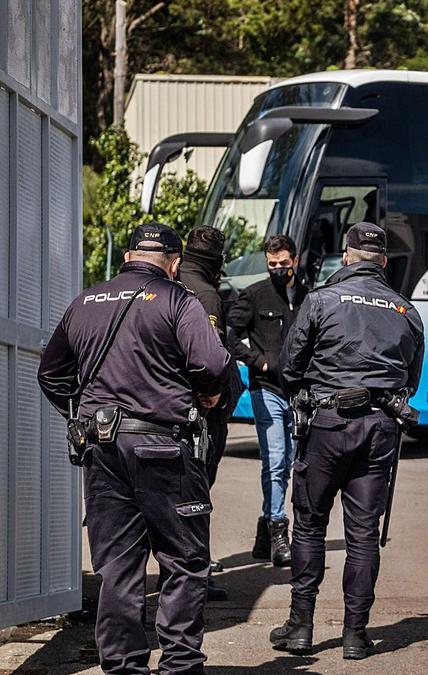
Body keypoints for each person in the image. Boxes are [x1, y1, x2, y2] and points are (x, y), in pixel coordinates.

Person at [37, 223, 231, 675]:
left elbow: (51, 374)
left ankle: (123, 667)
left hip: (101, 448)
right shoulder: (177, 299)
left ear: (127, 255)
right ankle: (180, 666)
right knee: (184, 560)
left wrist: (83, 411)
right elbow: (213, 362)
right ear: (175, 262)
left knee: (118, 568)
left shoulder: (85, 302)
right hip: (164, 445)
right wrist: (206, 395)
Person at [269, 222, 425, 660]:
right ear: (384, 263)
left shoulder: (320, 300)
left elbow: (289, 367)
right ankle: (356, 634)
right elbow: (410, 380)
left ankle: (301, 626)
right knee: (362, 534)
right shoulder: (405, 310)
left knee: (311, 523)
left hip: (328, 424)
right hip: (380, 428)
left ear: (346, 254)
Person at [227, 235, 307, 565]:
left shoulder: (308, 296)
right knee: (275, 461)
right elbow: (229, 336)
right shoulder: (255, 294)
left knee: (289, 462)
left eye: (283, 264)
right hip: (267, 390)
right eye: (272, 264)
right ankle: (278, 530)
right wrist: (257, 360)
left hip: (299, 392)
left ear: (295, 261)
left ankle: (264, 531)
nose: (278, 269)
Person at [177, 226, 245, 601]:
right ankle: (196, 575)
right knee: (197, 495)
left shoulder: (170, 280)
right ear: (217, 260)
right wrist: (214, 395)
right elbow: (210, 358)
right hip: (201, 414)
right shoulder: (205, 294)